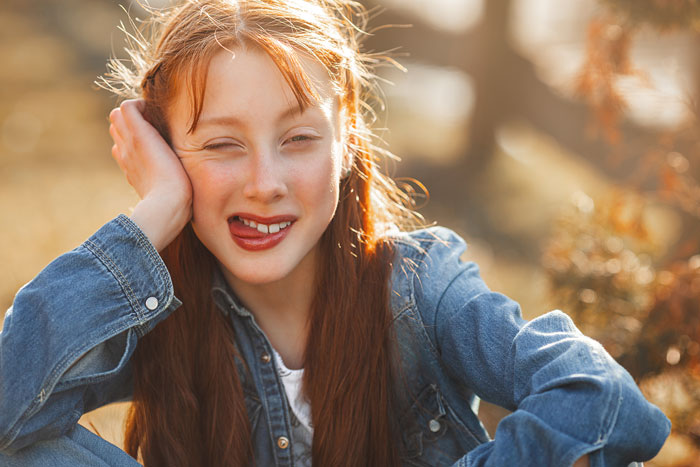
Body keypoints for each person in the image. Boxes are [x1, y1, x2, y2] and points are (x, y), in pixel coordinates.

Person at [0, 0, 670, 466]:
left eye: (297, 139)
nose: (265, 181)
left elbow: (601, 398)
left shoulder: (419, 288)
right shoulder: (158, 311)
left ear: (347, 139)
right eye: (222, 145)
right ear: (167, 153)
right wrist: (152, 219)